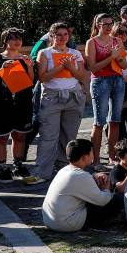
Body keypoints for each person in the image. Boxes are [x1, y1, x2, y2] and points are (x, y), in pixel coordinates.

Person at [0, 28, 39, 184]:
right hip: (1, 105)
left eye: (19, 38)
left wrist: (29, 66)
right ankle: (2, 168)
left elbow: (30, 82)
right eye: (13, 38)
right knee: (1, 138)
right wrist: (3, 69)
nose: (17, 41)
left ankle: (18, 165)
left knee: (20, 135)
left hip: (22, 104)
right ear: (5, 41)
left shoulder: (24, 58)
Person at [35, 22, 87, 181]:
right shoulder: (44, 53)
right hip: (52, 97)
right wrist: (60, 67)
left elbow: (81, 76)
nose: (63, 38)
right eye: (59, 35)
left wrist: (70, 67)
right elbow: (43, 78)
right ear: (52, 36)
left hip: (73, 97)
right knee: (48, 136)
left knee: (69, 136)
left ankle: (65, 170)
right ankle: (42, 172)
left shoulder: (75, 53)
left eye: (65, 35)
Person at [41, 139, 122, 232]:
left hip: (50, 221)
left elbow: (80, 182)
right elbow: (103, 201)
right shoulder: (81, 176)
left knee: (93, 196)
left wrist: (94, 176)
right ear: (84, 157)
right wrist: (106, 188)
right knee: (115, 200)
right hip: (65, 223)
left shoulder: (64, 170)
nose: (93, 154)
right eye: (91, 152)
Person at [85, 13, 127, 164]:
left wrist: (118, 57)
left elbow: (124, 65)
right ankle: (95, 159)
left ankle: (112, 156)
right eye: (106, 24)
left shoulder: (117, 40)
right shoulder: (91, 42)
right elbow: (93, 68)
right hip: (100, 81)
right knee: (99, 121)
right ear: (98, 25)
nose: (109, 27)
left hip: (117, 79)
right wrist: (111, 56)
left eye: (111, 24)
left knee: (115, 120)